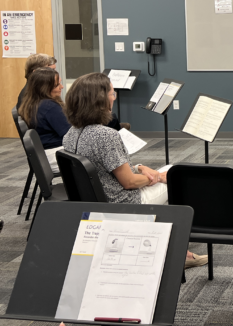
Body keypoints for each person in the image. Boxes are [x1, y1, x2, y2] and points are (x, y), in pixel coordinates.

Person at [62, 72, 207, 269]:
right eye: (112, 94)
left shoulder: (71, 134)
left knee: (171, 170)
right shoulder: (105, 135)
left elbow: (107, 167)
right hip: (121, 199)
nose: (114, 98)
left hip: (97, 197)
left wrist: (140, 168)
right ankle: (180, 253)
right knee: (180, 178)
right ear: (99, 100)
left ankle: (162, 242)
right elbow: (129, 182)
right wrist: (155, 178)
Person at [18, 67, 69, 173]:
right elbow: (69, 134)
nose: (62, 87)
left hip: (44, 154)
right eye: (57, 85)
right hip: (54, 155)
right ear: (44, 88)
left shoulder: (32, 103)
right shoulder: (49, 106)